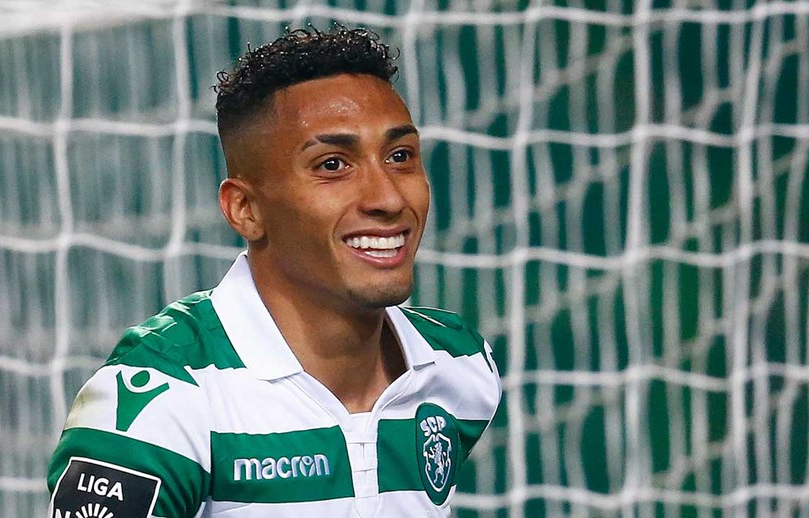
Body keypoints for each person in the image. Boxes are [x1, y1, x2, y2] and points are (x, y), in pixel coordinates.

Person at [47, 26, 502, 517]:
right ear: (245, 209)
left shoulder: (460, 365)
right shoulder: (163, 398)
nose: (388, 198)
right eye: (333, 165)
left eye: (400, 156)